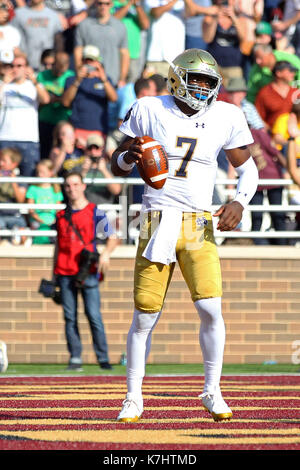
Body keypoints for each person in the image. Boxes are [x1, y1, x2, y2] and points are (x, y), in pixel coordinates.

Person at [111, 48, 258, 422]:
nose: (204, 88)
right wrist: (131, 154)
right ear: (177, 78)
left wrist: (239, 202)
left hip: (197, 220)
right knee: (145, 315)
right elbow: (117, 165)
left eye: (210, 82)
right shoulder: (149, 107)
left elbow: (248, 170)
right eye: (198, 80)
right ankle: (133, 396)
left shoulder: (226, 114)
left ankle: (212, 390)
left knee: (211, 307)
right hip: (157, 218)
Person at [53, 171, 119, 371]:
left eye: (75, 184)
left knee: (93, 315)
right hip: (64, 270)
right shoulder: (61, 215)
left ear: (82, 186)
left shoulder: (94, 211)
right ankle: (75, 357)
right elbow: (57, 246)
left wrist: (106, 254)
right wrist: (53, 273)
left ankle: (103, 357)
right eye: (67, 185)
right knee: (69, 316)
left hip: (86, 269)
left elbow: (112, 236)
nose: (71, 189)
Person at [0, 50, 50, 176]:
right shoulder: (4, 85)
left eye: (19, 66)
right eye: (12, 66)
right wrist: (4, 82)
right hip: (6, 137)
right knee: (3, 178)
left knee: (29, 176)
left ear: (26, 68)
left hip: (28, 139)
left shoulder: (33, 86)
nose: (15, 69)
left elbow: (45, 99)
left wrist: (34, 81)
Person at [62, 44, 118, 147]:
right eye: (86, 60)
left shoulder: (105, 80)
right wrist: (78, 80)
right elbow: (65, 102)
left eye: (92, 61)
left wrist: (103, 79)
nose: (88, 64)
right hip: (78, 130)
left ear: (98, 62)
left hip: (99, 131)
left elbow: (114, 98)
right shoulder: (71, 79)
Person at [74, 0, 129, 88]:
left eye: (107, 3)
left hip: (112, 78)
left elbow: (124, 53)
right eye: (100, 3)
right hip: (89, 77)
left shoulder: (120, 26)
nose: (103, 6)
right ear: (95, 3)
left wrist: (122, 78)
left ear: (111, 4)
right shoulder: (84, 25)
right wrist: (79, 71)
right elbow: (78, 50)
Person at [248, 126, 287, 245]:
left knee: (277, 214)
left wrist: (288, 170)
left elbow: (274, 151)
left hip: (272, 177)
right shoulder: (237, 138)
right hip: (254, 180)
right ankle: (256, 245)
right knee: (256, 215)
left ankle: (282, 245)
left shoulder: (258, 133)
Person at [37, 51, 75, 159]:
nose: (59, 74)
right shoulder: (42, 75)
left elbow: (68, 101)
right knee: (44, 152)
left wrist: (54, 99)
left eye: (61, 71)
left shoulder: (71, 76)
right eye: (57, 69)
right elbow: (41, 98)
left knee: (60, 152)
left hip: (63, 121)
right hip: (45, 119)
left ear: (67, 66)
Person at [202, 0, 247, 88]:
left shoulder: (239, 19)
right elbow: (207, 38)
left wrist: (233, 17)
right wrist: (215, 19)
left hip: (233, 66)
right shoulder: (209, 18)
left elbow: (243, 38)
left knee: (235, 94)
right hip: (214, 66)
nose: (225, 4)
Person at [11, 0, 63, 72]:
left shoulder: (53, 15)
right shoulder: (18, 14)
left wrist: (57, 58)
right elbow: (11, 38)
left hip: (48, 67)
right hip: (26, 67)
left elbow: (58, 40)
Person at [111, 0, 150, 83]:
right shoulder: (110, 3)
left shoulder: (137, 6)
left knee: (132, 85)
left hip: (133, 53)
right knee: (114, 82)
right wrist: (129, 4)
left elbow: (145, 25)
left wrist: (137, 6)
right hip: (116, 53)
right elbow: (112, 21)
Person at [26, 159, 64, 244]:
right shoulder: (33, 189)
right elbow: (31, 210)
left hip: (53, 223)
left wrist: (54, 221)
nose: (39, 175)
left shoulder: (56, 189)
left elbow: (59, 210)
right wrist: (41, 221)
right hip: (37, 222)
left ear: (51, 173)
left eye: (42, 172)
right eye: (38, 172)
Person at [255, 60, 298, 130]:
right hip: (272, 136)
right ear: (278, 73)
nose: (293, 74)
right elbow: (258, 119)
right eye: (290, 71)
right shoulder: (264, 93)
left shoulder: (296, 92)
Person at [81, 134, 122, 205]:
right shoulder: (79, 168)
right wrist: (84, 172)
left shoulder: (110, 167)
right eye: (90, 148)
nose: (93, 152)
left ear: (102, 149)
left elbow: (116, 190)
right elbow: (74, 190)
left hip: (106, 208)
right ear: (86, 150)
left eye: (96, 148)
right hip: (86, 208)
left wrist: (104, 170)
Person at [0, 147, 27, 245]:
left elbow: (20, 200)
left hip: (14, 215)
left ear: (14, 164)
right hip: (0, 216)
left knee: (23, 233)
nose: (1, 163)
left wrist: (13, 182)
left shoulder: (20, 179)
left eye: (4, 161)